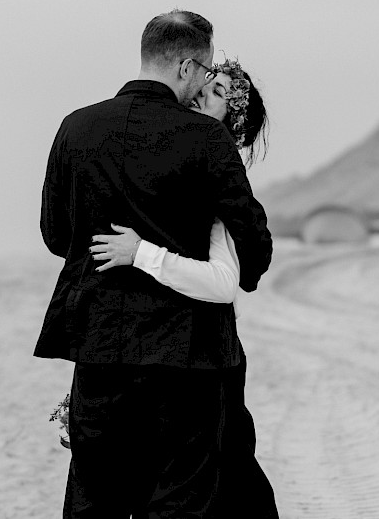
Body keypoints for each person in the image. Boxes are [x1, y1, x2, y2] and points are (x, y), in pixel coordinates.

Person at [35, 10, 272, 517]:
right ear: (187, 67)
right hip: (186, 359)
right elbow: (253, 246)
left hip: (100, 352)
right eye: (205, 74)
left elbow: (57, 236)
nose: (204, 84)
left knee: (95, 500)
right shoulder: (206, 138)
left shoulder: (75, 128)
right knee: (179, 504)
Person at [89, 61, 279, 517]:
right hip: (164, 356)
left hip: (207, 358)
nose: (199, 94)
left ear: (229, 125)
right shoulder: (182, 158)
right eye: (205, 83)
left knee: (227, 483)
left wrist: (141, 253)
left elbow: (223, 282)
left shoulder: (216, 174)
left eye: (214, 93)